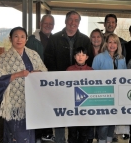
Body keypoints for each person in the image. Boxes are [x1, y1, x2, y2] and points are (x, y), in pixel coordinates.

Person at [44, 11, 93, 143]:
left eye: (76, 20)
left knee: (79, 117)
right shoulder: (54, 39)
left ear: (79, 23)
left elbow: (91, 60)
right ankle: (60, 140)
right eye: (70, 19)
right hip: (60, 84)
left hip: (81, 86)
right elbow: (48, 59)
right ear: (65, 21)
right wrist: (57, 79)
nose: (73, 22)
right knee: (61, 112)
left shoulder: (85, 39)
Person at [0, 27, 47, 143]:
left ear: (26, 39)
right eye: (16, 36)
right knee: (15, 134)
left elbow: (44, 71)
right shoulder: (4, 58)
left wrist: (38, 73)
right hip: (13, 104)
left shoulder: (33, 55)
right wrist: (18, 74)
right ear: (10, 39)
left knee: (29, 133)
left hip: (31, 101)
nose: (19, 39)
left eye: (22, 36)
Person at [92, 33, 127, 143]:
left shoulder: (122, 59)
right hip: (103, 95)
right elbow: (92, 78)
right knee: (104, 122)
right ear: (106, 44)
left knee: (113, 120)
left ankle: (109, 140)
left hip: (117, 95)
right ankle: (101, 141)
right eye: (110, 42)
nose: (112, 45)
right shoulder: (99, 58)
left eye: (115, 42)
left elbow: (125, 77)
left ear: (118, 45)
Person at [26, 14, 55, 142]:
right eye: (46, 23)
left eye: (50, 24)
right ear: (40, 23)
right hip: (36, 80)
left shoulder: (55, 39)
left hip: (51, 79)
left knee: (49, 106)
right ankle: (37, 135)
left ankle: (47, 133)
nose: (48, 26)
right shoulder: (31, 40)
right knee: (37, 107)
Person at [66, 47, 93, 143]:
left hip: (85, 108)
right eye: (78, 55)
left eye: (83, 55)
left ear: (87, 57)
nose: (80, 57)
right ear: (74, 57)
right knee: (72, 133)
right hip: (72, 108)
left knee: (84, 133)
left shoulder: (91, 71)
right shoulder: (69, 70)